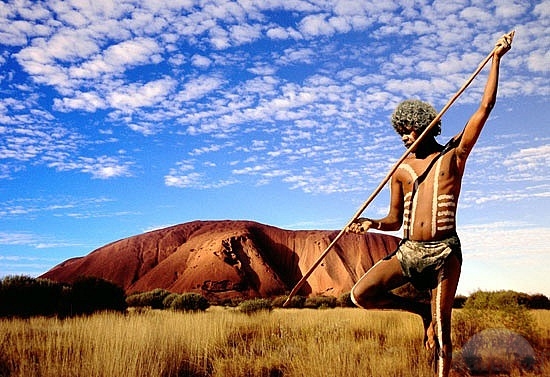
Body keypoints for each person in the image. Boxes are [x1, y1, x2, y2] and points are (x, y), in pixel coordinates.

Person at [346, 33, 512, 377]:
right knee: (360, 294)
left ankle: (436, 339)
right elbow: (394, 220)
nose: (406, 138)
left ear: (427, 125)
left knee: (442, 336)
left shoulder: (454, 154)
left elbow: (485, 108)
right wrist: (370, 223)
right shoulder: (401, 171)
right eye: (401, 133)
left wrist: (495, 59)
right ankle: (420, 312)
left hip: (443, 253)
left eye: (410, 130)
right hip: (408, 251)